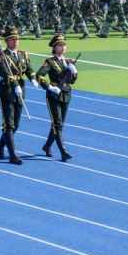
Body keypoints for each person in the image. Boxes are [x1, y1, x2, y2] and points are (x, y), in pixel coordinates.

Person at [0, 28, 39, 165]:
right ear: (6, 41)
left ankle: (0, 146)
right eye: (12, 39)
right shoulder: (1, 55)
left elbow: (29, 69)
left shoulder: (23, 55)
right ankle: (12, 154)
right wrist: (14, 84)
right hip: (7, 91)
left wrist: (32, 78)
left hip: (20, 90)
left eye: (17, 39)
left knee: (16, 124)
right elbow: (5, 72)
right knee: (8, 124)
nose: (15, 41)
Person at [36, 34, 77, 162]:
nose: (62, 47)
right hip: (54, 95)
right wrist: (48, 87)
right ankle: (63, 151)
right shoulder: (50, 62)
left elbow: (72, 81)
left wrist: (74, 72)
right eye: (60, 45)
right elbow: (39, 75)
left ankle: (47, 145)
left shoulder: (68, 62)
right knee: (57, 124)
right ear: (54, 48)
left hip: (66, 94)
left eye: (64, 45)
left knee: (58, 124)